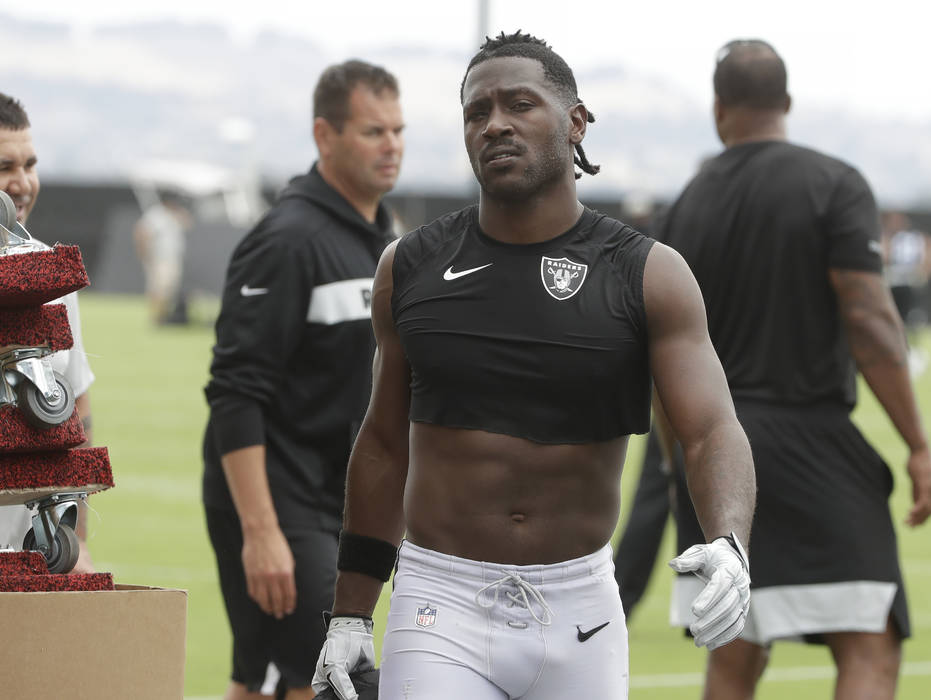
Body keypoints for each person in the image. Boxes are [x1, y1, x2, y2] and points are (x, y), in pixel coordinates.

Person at [311, 31, 756, 700]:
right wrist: (349, 611)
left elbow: (711, 429)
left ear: (575, 122)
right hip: (441, 602)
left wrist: (729, 541)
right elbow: (381, 444)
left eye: (520, 104)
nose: (495, 124)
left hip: (580, 608)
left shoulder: (648, 274)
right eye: (477, 111)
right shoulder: (410, 267)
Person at [658, 39, 931, 699]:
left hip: (714, 454)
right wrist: (918, 446)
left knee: (733, 651)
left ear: (718, 108)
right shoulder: (834, 184)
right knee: (870, 639)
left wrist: (681, 471)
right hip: (812, 444)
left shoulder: (684, 206)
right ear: (786, 104)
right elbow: (872, 324)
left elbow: (661, 359)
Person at [202, 60, 404, 700]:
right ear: (325, 136)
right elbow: (235, 394)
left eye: (399, 130)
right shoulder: (287, 241)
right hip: (281, 506)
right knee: (339, 683)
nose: (392, 145)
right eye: (374, 131)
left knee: (265, 679)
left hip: (342, 508)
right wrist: (260, 533)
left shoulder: (382, 237)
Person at [0, 93, 97, 573]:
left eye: (30, 165)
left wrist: (74, 537)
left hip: (27, 555)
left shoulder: (50, 276)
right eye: (5, 167)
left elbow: (74, 408)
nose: (21, 183)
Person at [880, 210, 931, 374]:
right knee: (893, 318)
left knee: (910, 319)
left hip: (907, 284)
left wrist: (923, 273)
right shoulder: (889, 237)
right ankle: (893, 350)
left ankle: (911, 352)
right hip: (893, 283)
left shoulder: (915, 237)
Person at [133, 189, 193, 325]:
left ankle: (163, 316)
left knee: (170, 289)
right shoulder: (156, 214)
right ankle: (155, 317)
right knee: (159, 288)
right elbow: (142, 232)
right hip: (158, 258)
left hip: (173, 258)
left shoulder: (175, 215)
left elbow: (189, 223)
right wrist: (144, 253)